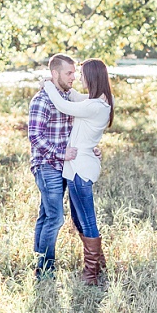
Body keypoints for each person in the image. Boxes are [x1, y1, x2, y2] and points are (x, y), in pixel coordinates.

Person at [38, 58, 115, 285]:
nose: (78, 78)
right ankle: (98, 265)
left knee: (87, 221)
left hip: (81, 169)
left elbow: (65, 106)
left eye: (82, 74)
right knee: (78, 218)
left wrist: (48, 85)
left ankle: (91, 274)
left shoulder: (96, 105)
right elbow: (73, 97)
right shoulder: (98, 100)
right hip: (77, 167)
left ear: (92, 77)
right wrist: (55, 82)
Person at [26, 53, 101, 280]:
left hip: (67, 167)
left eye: (74, 73)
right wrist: (61, 154)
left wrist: (91, 148)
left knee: (46, 215)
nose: (74, 77)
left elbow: (79, 131)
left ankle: (39, 262)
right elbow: (35, 137)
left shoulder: (69, 98)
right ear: (55, 73)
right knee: (56, 217)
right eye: (69, 73)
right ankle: (46, 270)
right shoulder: (42, 100)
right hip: (48, 165)